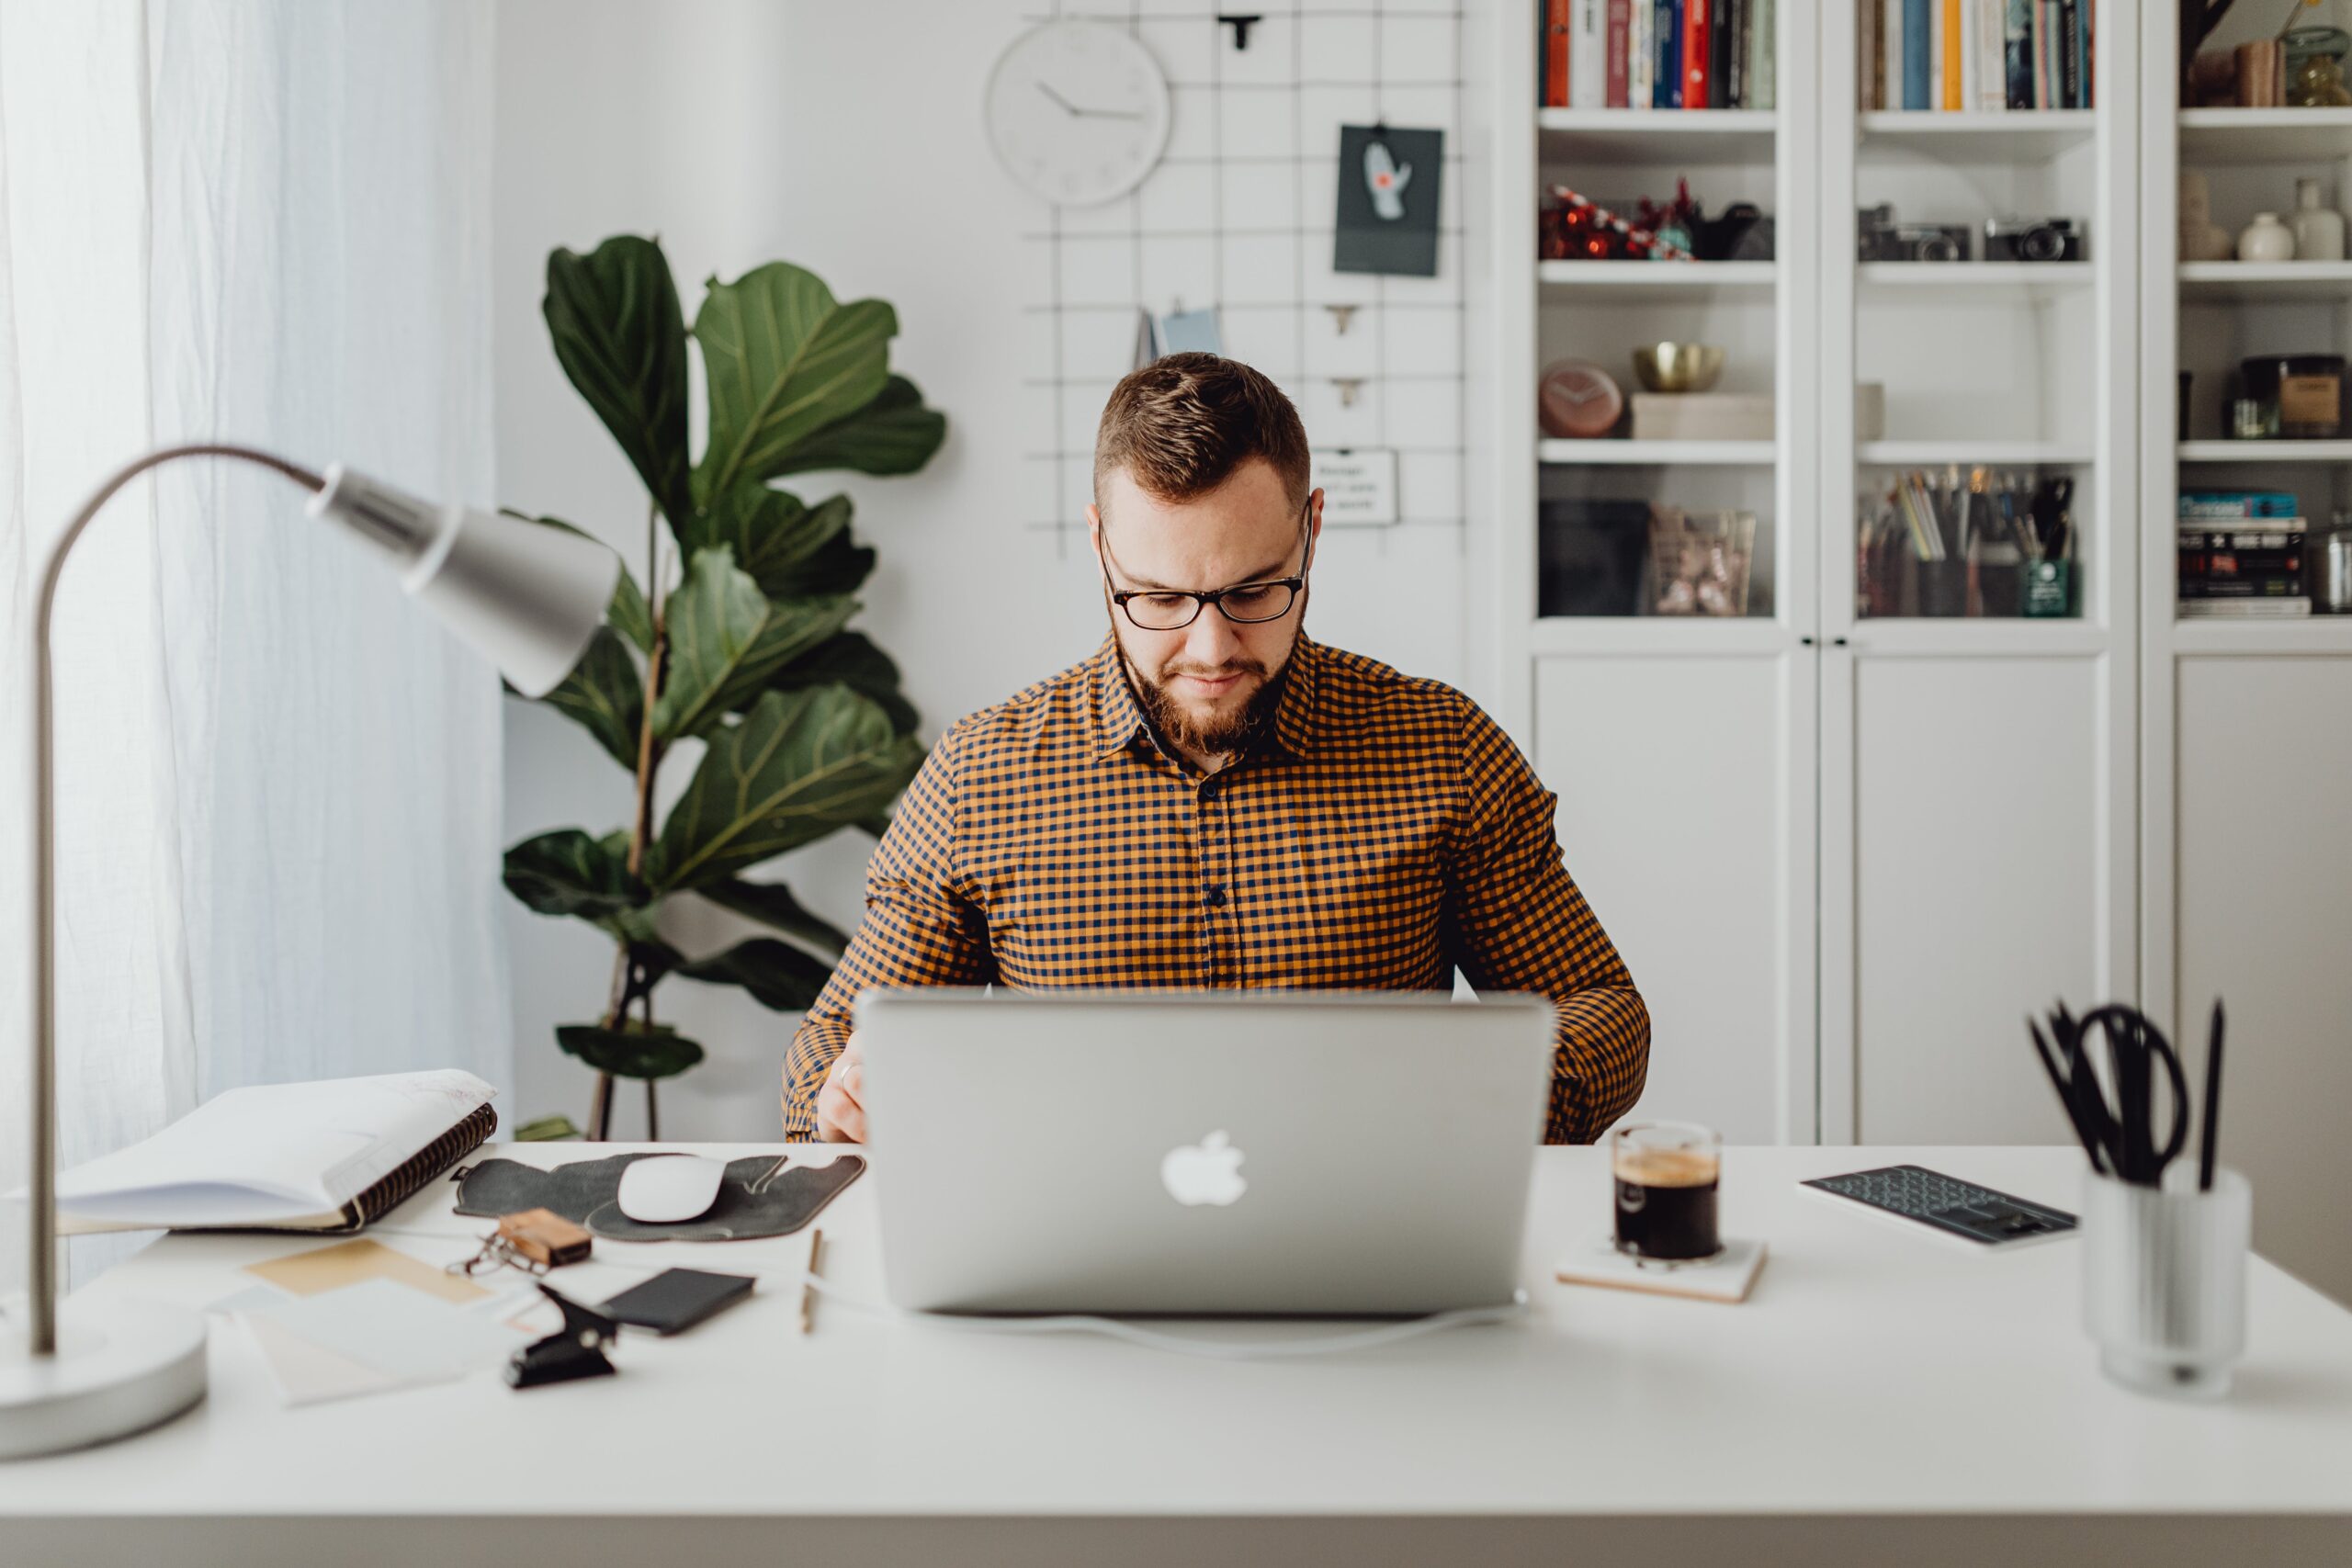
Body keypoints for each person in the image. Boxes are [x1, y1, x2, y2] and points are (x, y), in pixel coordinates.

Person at [782, 353, 1648, 1144]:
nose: (1209, 650)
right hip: (1072, 1267)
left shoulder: (1442, 749)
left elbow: (1603, 1010)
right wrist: (841, 1093)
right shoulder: (982, 776)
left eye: (1253, 590)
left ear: (1311, 531)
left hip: (1367, 1250)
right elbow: (832, 1040)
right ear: (1099, 549)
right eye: (1157, 599)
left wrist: (1491, 1098)